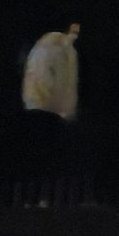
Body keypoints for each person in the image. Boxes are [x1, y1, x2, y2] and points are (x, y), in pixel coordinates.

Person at [20, 23, 80, 188]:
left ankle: (30, 194)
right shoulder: (62, 50)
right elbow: (62, 82)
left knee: (35, 153)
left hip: (34, 105)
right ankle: (44, 195)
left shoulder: (40, 46)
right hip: (51, 108)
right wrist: (67, 110)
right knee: (50, 155)